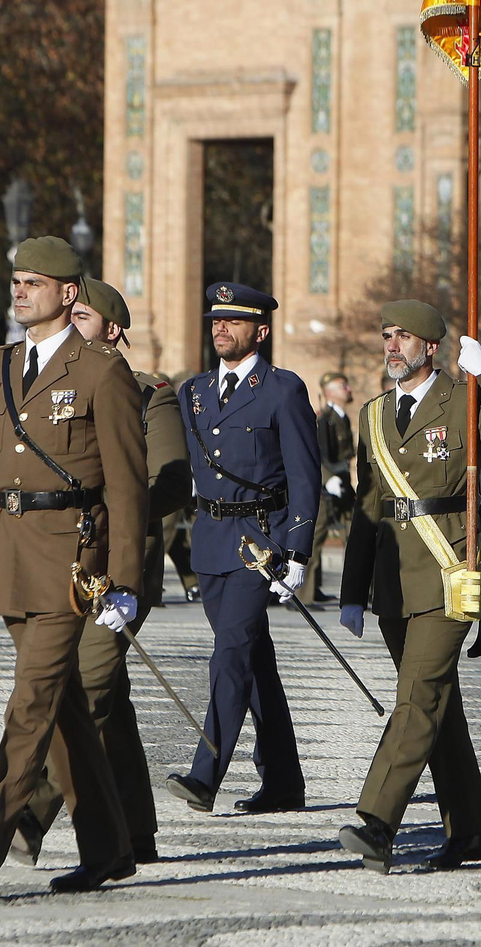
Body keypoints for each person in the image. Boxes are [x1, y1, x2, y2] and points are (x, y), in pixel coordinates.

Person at [0, 236, 148, 898]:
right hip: (15, 555)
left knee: (30, 704)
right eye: (15, 281)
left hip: (72, 558)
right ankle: (108, 848)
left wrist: (125, 580)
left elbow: (129, 487)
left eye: (33, 282)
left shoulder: (101, 370)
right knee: (65, 707)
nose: (19, 291)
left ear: (68, 292)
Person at [0, 277, 191, 867]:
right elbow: (10, 479)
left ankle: (18, 824)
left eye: (84, 316)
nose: (72, 325)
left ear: (111, 329)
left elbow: (162, 483)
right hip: (43, 561)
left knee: (70, 690)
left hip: (107, 568)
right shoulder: (25, 378)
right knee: (87, 703)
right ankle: (125, 836)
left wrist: (105, 514)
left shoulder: (145, 391)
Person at [337, 300, 481, 874]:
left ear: (431, 347)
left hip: (449, 570)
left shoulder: (463, 399)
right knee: (436, 707)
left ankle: (378, 822)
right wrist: (353, 590)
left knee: (416, 697)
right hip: (393, 580)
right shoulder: (373, 414)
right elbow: (367, 506)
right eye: (387, 335)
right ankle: (469, 829)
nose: (392, 345)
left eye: (404, 337)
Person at [165, 283, 319, 817]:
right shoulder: (194, 392)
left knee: (229, 655)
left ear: (262, 331)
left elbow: (304, 476)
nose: (220, 329)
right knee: (255, 661)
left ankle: (206, 774)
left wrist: (296, 551)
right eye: (215, 321)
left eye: (233, 321)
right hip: (209, 542)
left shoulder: (281, 390)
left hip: (260, 544)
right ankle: (282, 781)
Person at [312, 371, 357, 602]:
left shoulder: (342, 417)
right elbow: (318, 455)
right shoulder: (325, 418)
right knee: (316, 535)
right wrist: (328, 478)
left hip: (342, 483)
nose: (348, 389)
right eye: (343, 386)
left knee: (355, 532)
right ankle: (307, 593)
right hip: (325, 486)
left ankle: (358, 591)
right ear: (329, 392)